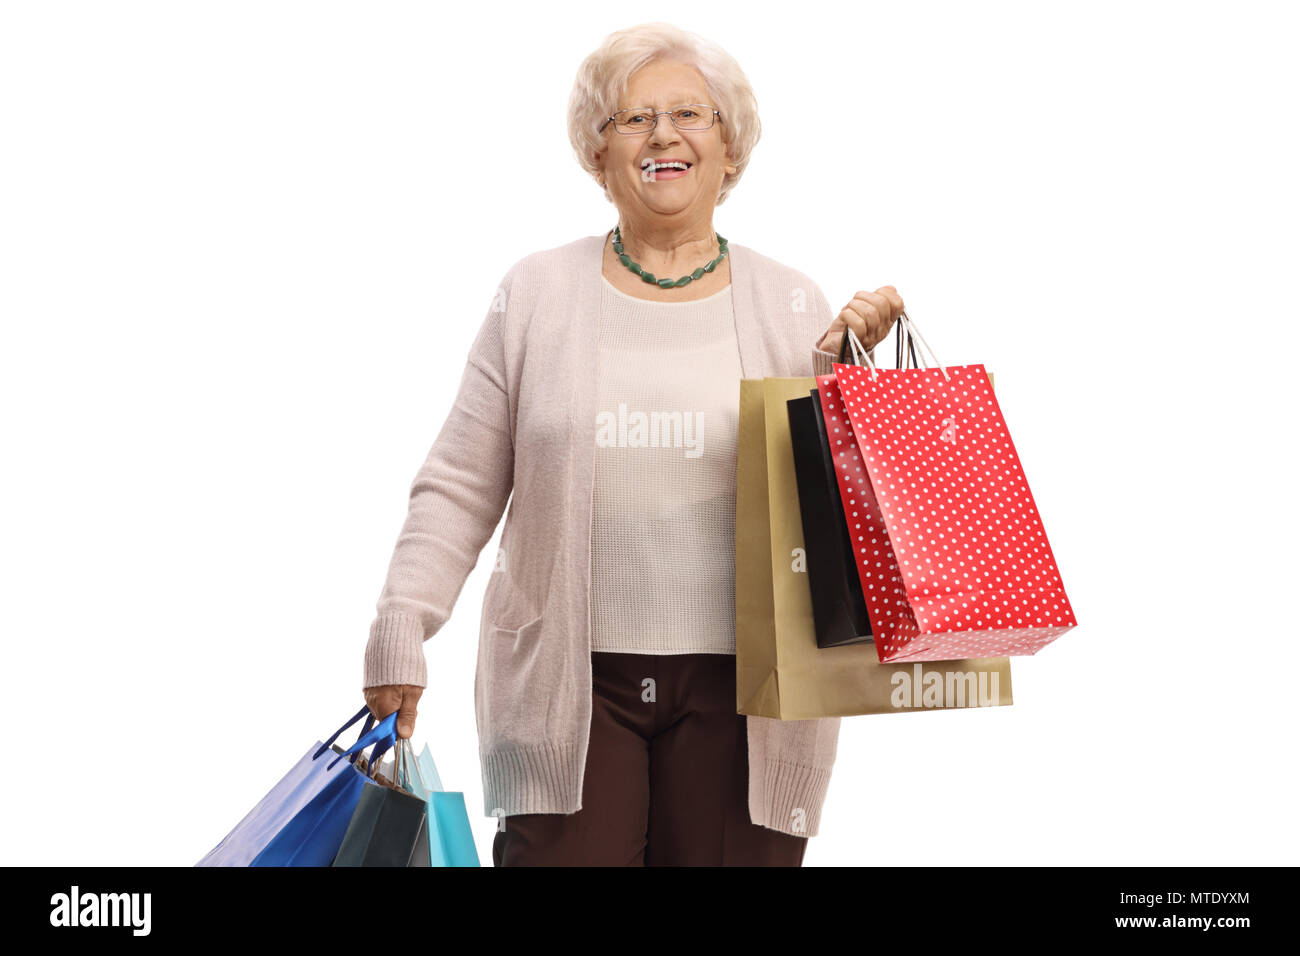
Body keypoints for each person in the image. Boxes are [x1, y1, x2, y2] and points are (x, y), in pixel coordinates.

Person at [362, 21, 903, 866]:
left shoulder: (792, 303)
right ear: (597, 154)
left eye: (691, 113)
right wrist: (403, 622)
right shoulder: (536, 293)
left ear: (729, 148)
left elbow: (842, 526)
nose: (663, 135)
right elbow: (460, 482)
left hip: (751, 691)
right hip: (568, 688)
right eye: (633, 119)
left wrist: (851, 383)